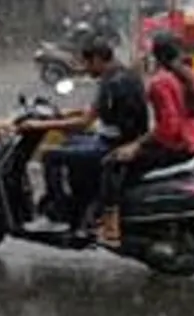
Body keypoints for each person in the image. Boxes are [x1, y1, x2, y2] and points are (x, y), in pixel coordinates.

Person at [17, 36, 149, 232]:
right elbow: (95, 111)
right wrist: (64, 113)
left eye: (87, 63)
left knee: (50, 157)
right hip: (123, 139)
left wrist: (39, 125)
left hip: (113, 146)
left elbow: (84, 122)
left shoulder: (111, 83)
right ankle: (79, 203)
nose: (86, 69)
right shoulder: (123, 75)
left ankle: (58, 215)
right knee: (70, 144)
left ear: (97, 59)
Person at [100, 32, 194, 245]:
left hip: (176, 146)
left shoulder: (160, 83)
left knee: (111, 162)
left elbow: (168, 128)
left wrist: (137, 144)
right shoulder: (186, 74)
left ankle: (110, 227)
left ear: (155, 55)